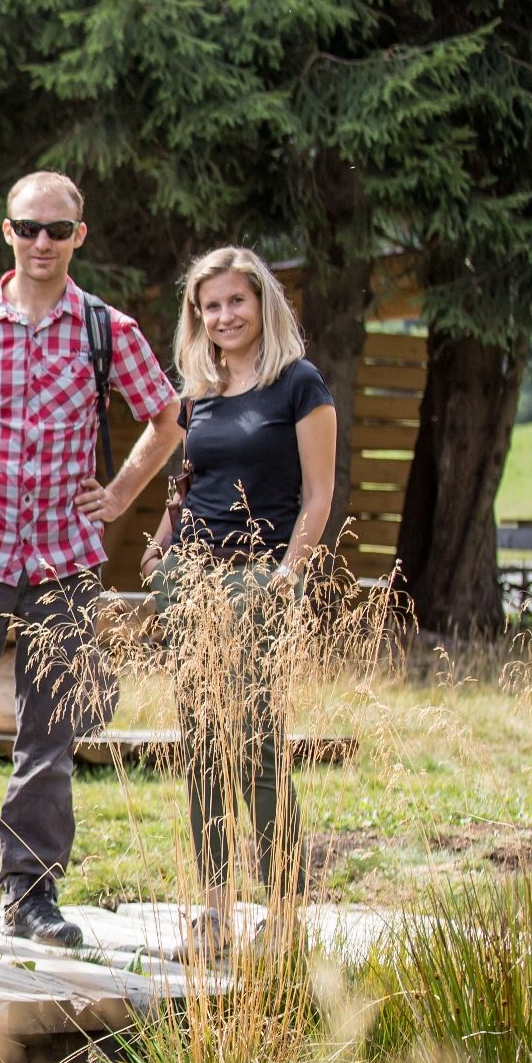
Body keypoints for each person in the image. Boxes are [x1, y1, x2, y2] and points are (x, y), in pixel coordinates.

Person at [0, 170, 183, 948]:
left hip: (65, 558)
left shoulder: (105, 329)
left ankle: (31, 897)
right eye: (28, 228)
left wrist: (120, 495)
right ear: (7, 232)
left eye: (57, 230)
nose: (41, 242)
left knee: (49, 734)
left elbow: (165, 416)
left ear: (79, 236)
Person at [140, 246, 336, 949]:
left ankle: (284, 915)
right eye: (210, 305)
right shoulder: (198, 391)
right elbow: (190, 479)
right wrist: (161, 544)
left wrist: (288, 574)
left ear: (262, 305)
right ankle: (215, 909)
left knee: (255, 744)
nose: (224, 316)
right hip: (190, 579)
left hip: (260, 580)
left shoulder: (298, 385)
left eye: (236, 302)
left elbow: (318, 494)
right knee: (202, 746)